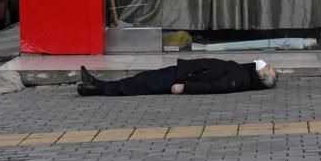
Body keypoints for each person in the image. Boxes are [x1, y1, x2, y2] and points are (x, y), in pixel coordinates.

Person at [76, 58, 277, 96]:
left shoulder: (240, 79)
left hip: (182, 78)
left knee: (140, 84)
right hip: (183, 72)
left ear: (262, 75)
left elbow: (215, 86)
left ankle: (96, 87)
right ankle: (94, 87)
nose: (267, 64)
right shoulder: (244, 72)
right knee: (142, 80)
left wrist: (185, 87)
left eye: (268, 68)